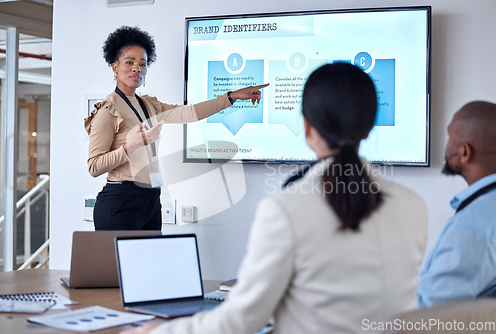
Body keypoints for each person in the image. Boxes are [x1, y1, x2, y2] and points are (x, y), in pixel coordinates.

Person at [122, 63, 427, 334]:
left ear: (307, 127)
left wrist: (154, 331)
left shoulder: (287, 209)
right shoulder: (413, 206)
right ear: (371, 125)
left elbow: (239, 322)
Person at [84, 26, 267, 230]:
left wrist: (231, 97)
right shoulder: (108, 110)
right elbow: (94, 166)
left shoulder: (148, 105)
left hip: (151, 198)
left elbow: (190, 113)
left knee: (151, 262)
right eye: (129, 62)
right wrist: (131, 146)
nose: (137, 69)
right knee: (117, 263)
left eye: (142, 64)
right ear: (115, 66)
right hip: (121, 200)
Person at [417, 101, 496, 308]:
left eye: (450, 136)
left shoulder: (473, 227)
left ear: (464, 152)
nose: (446, 145)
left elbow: (429, 315)